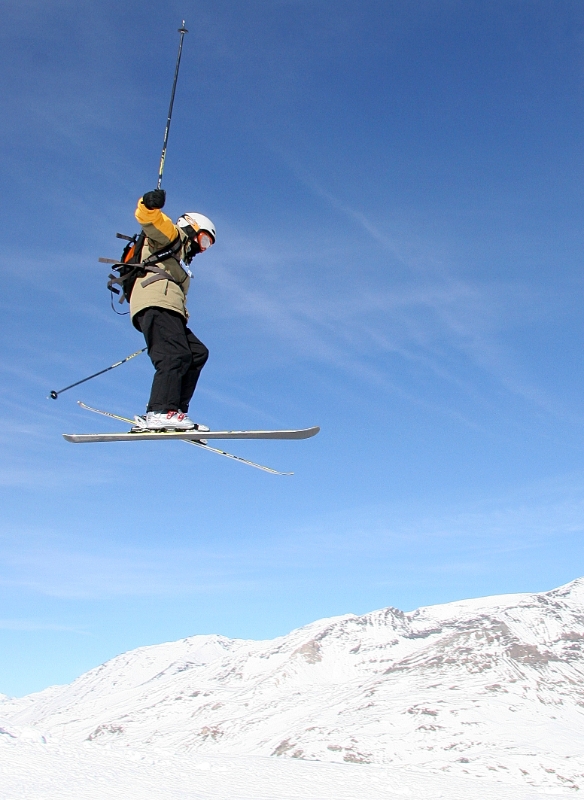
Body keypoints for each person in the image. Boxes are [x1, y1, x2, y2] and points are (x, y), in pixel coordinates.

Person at [129, 188, 215, 431]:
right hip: (156, 303)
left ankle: (174, 411)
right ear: (192, 228)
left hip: (169, 308)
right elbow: (150, 220)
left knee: (197, 353)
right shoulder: (172, 236)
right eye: (204, 240)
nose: (203, 248)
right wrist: (148, 204)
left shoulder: (181, 257)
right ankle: (160, 411)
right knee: (174, 355)